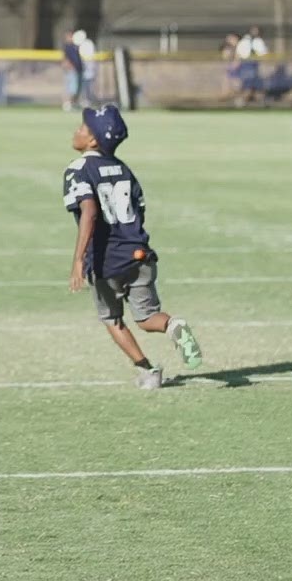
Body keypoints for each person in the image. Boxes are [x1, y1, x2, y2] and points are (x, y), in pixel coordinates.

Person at [62, 105, 203, 389]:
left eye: (83, 128)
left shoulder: (78, 169)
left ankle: (148, 370)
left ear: (92, 141)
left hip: (106, 260)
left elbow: (89, 211)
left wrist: (79, 259)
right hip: (140, 254)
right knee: (149, 317)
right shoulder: (124, 168)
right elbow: (139, 208)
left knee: (112, 318)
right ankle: (173, 325)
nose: (76, 131)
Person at [61, 32, 86, 112]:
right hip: (71, 70)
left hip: (78, 70)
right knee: (72, 88)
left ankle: (74, 103)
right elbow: (65, 59)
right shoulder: (67, 47)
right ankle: (68, 104)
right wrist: (69, 66)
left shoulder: (76, 46)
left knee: (78, 88)